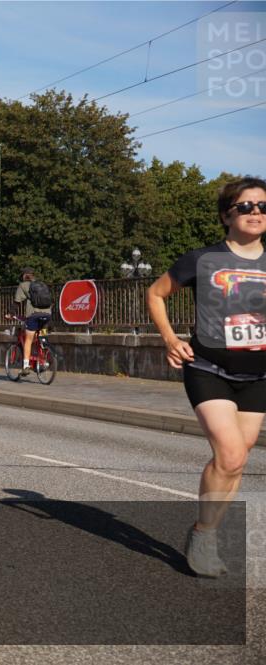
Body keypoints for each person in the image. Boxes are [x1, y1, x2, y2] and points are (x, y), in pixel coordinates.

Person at [147, 176, 266, 578]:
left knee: (236, 461)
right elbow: (155, 293)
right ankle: (204, 535)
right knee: (230, 453)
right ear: (226, 215)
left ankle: (207, 530)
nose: (256, 213)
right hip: (208, 368)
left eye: (263, 206)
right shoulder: (202, 259)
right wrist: (169, 338)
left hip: (259, 375)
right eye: (246, 206)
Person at [13, 267, 51, 375]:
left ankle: (26, 366)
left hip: (33, 315)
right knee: (41, 336)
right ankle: (45, 359)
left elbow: (16, 302)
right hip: (47, 315)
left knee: (28, 340)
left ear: (24, 276)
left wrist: (10, 314)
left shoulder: (23, 285)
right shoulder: (42, 284)